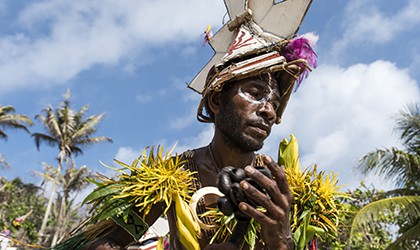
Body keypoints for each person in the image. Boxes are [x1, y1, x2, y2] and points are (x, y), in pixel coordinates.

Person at [64, 1, 316, 249]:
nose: (269, 110)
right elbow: (113, 240)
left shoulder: (285, 189)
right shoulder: (172, 177)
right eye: (255, 93)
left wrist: (282, 240)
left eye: (274, 102)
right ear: (217, 100)